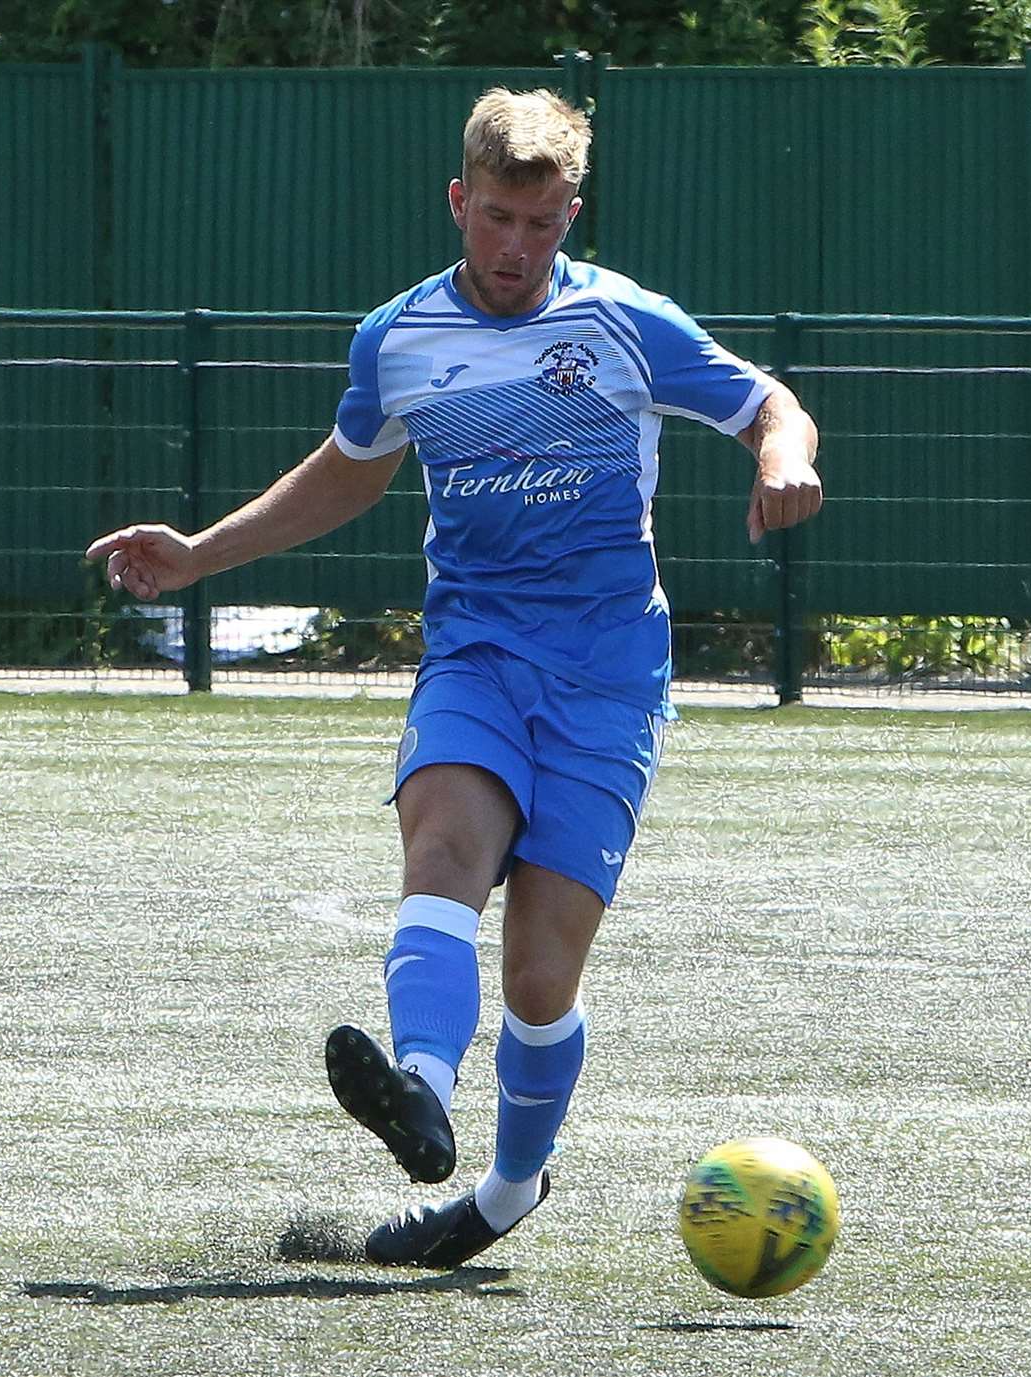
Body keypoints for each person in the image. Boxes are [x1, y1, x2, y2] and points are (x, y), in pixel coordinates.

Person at [86, 87, 821, 1271]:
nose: (517, 248)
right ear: (457, 203)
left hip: (607, 677)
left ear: (571, 212)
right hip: (475, 650)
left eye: (542, 223)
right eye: (496, 219)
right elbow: (346, 471)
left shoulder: (625, 323)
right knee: (441, 853)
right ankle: (419, 1091)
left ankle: (510, 1187)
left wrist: (784, 455)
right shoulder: (398, 338)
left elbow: (765, 405)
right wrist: (199, 553)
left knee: (539, 978)